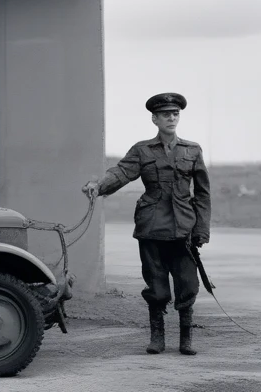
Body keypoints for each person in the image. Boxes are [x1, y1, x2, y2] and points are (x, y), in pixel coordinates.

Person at [82, 92, 211, 356]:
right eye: (165, 114)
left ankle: (186, 339)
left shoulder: (192, 150)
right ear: (155, 119)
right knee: (156, 285)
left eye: (175, 114)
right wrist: (98, 186)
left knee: (188, 284)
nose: (171, 118)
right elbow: (121, 172)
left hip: (183, 229)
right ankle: (157, 336)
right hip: (151, 227)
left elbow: (203, 193)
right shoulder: (142, 150)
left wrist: (201, 229)